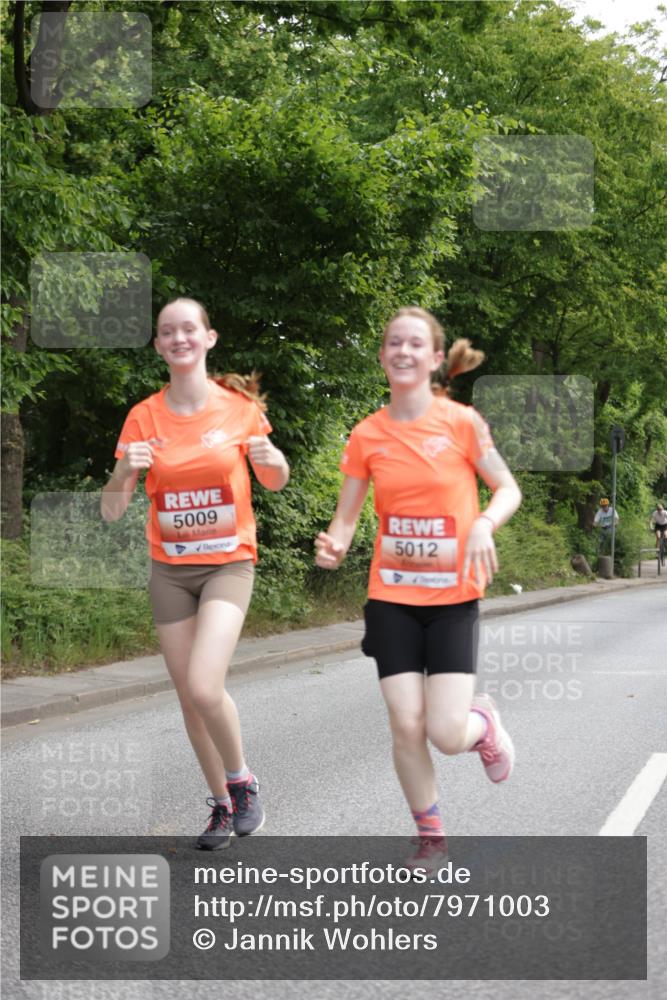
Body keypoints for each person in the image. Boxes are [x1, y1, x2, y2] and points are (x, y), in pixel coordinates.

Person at [315, 306, 522, 869]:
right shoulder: (367, 435)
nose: (402, 351)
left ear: (434, 359)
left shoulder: (460, 423)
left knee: (446, 732)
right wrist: (335, 543)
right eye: (392, 343)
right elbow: (348, 516)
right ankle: (431, 837)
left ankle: (484, 724)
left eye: (414, 344)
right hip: (392, 598)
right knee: (406, 723)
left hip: (454, 598)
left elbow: (507, 489)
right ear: (383, 356)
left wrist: (482, 522)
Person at [102, 298, 289, 850]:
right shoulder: (143, 416)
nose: (179, 337)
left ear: (209, 338)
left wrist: (271, 458)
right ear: (159, 345)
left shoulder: (239, 409)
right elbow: (113, 511)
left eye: (189, 328)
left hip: (228, 563)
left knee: (206, 685)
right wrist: (121, 471)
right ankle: (223, 808)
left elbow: (275, 481)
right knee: (189, 697)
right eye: (167, 331)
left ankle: (243, 783)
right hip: (170, 572)